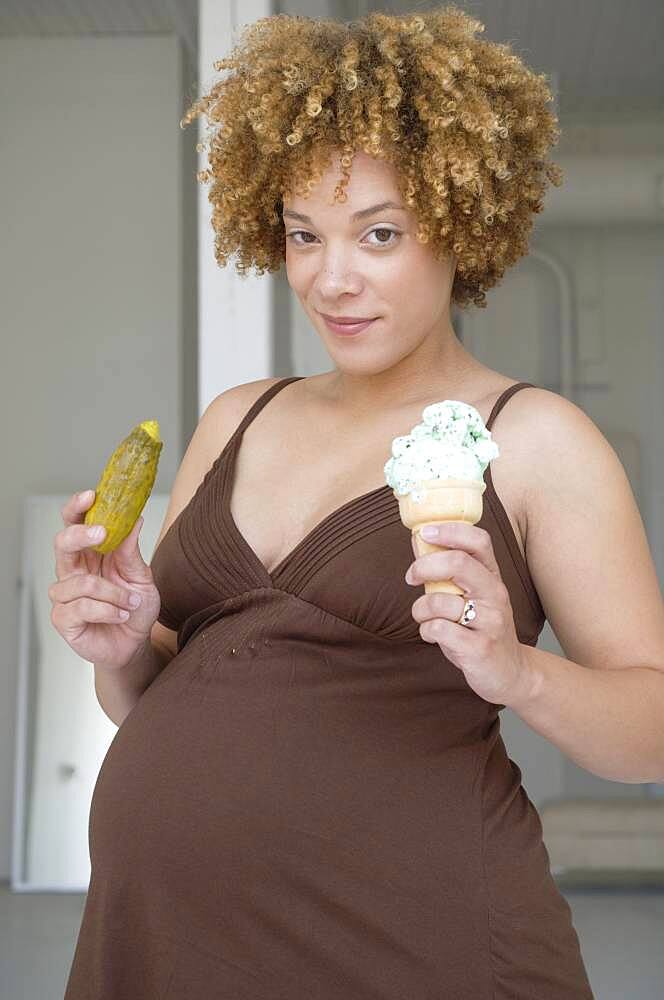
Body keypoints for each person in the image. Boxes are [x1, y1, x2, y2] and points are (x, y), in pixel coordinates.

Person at [50, 7, 664, 998]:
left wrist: (517, 671)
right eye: (304, 235)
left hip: (414, 946)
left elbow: (652, 726)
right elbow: (155, 696)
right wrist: (123, 644)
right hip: (165, 942)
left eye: (379, 234)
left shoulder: (538, 439)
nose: (332, 279)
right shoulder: (236, 417)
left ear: (459, 227)